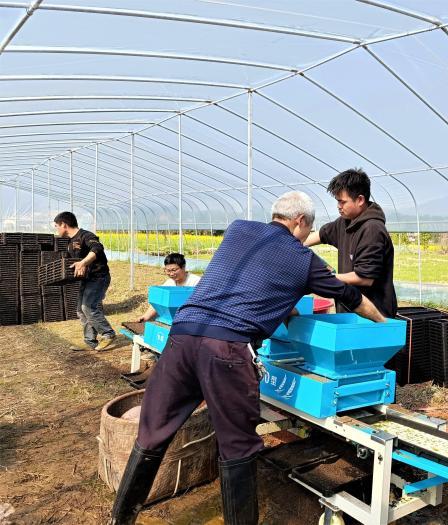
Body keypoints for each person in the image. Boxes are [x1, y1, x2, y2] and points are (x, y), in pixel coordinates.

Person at [110, 191, 385, 525]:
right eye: (306, 229)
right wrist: (384, 324)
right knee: (237, 447)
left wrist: (283, 302)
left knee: (151, 432)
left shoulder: (238, 230)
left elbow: (254, 280)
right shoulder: (303, 260)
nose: (305, 237)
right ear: (300, 222)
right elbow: (351, 296)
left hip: (181, 339)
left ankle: (120, 517)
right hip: (226, 351)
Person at [304, 168, 397, 317]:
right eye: (337, 201)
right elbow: (320, 235)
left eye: (342, 202)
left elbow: (365, 278)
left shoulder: (372, 229)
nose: (338, 206)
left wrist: (324, 278)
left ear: (360, 200)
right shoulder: (344, 222)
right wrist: (293, 245)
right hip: (349, 310)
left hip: (373, 316)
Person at [54, 211, 116, 352]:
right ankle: (90, 342)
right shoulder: (70, 243)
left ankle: (108, 334)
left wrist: (83, 263)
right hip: (87, 279)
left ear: (64, 224)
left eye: (57, 225)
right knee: (80, 311)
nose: (56, 229)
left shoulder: (86, 235)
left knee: (88, 307)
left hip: (99, 277)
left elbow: (97, 248)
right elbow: (73, 263)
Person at [133, 253, 201, 323]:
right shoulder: (169, 283)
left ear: (183, 267)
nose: (171, 274)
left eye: (174, 270)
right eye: (168, 270)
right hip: (171, 320)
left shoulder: (196, 282)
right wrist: (145, 316)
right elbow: (159, 301)